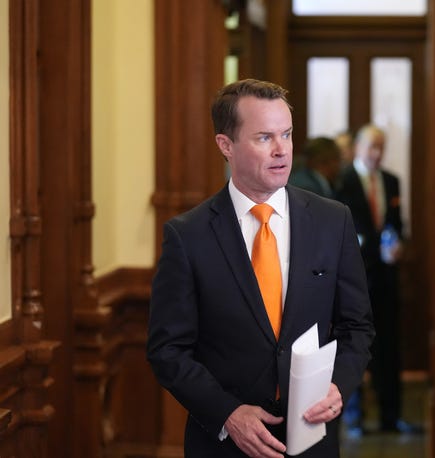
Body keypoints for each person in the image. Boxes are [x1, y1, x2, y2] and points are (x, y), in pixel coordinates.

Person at [146, 79, 375, 457]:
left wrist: (337, 386)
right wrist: (227, 414)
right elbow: (167, 350)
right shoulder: (188, 236)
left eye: (286, 134)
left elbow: (358, 327)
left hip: (312, 438)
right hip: (224, 444)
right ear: (226, 146)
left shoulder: (333, 221)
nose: (282, 150)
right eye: (264, 138)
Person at [336, 124, 419, 435]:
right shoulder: (342, 181)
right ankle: (353, 416)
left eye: (381, 147)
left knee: (389, 350)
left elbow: (398, 226)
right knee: (352, 348)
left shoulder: (391, 181)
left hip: (386, 279)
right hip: (353, 280)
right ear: (358, 147)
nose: (376, 154)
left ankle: (391, 416)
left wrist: (399, 244)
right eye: (371, 146)